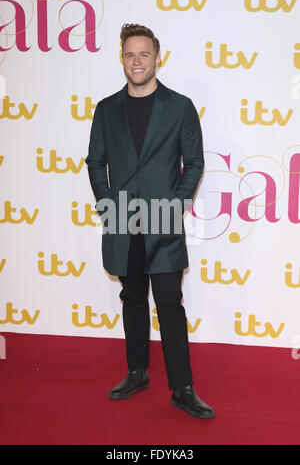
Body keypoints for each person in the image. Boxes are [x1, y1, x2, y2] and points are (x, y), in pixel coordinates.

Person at [85, 23, 215, 419]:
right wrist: (107, 205)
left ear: (158, 57)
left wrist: (175, 206)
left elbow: (194, 163)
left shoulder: (179, 107)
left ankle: (183, 388)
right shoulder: (106, 109)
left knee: (170, 304)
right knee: (132, 299)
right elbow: (95, 161)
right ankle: (137, 372)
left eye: (144, 53)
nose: (137, 61)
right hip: (123, 222)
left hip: (163, 221)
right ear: (121, 59)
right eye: (129, 54)